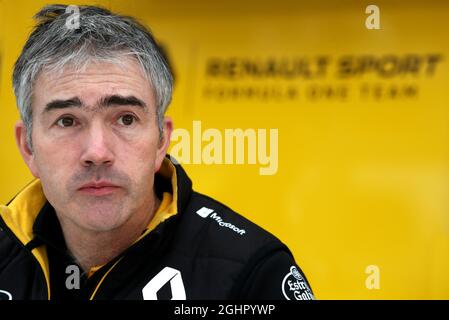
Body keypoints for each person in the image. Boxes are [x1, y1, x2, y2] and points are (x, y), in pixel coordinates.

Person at [0, 4, 314, 300]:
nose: (97, 152)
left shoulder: (252, 275)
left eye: (125, 118)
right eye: (67, 121)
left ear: (161, 141)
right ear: (27, 146)